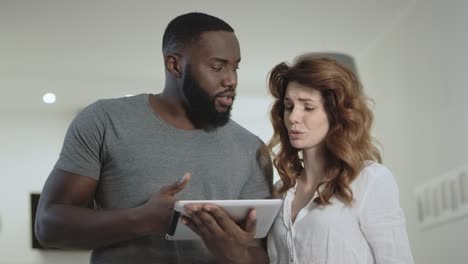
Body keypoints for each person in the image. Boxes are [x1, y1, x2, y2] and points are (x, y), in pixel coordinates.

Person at [35, 12, 272, 264]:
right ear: (174, 65)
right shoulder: (105, 120)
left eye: (235, 67)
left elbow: (263, 253)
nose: (231, 80)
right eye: (217, 66)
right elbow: (48, 226)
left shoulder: (251, 149)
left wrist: (237, 254)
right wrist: (143, 219)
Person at [266, 54, 414, 263]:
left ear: (335, 114)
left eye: (308, 107)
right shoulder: (280, 191)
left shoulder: (370, 180)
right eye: (289, 107)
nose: (293, 117)